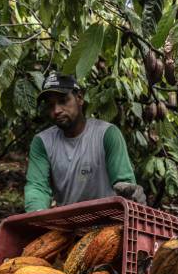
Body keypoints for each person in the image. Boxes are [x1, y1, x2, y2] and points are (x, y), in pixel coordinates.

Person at [24, 72, 146, 212]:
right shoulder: (42, 142)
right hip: (68, 225)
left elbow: (123, 180)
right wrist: (37, 215)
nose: (56, 110)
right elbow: (37, 187)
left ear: (79, 98)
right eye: (51, 105)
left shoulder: (107, 134)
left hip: (109, 222)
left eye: (63, 101)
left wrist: (128, 190)